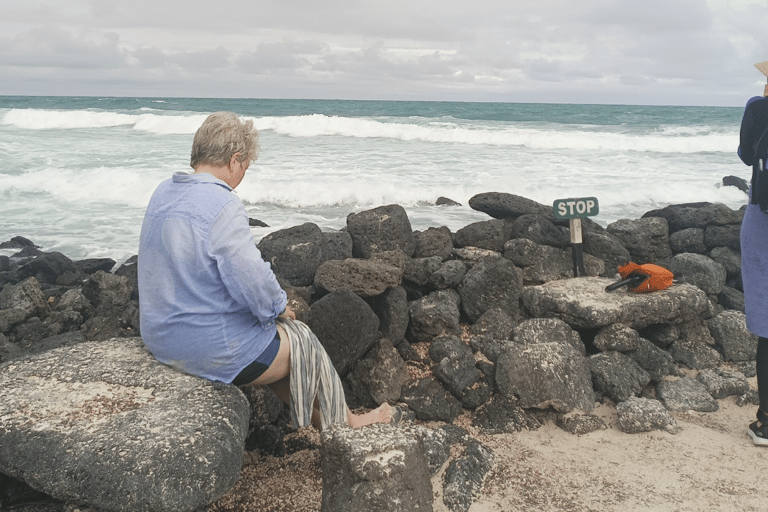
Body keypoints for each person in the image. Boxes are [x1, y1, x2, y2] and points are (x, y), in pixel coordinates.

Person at [138, 111, 391, 430]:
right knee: (301, 339)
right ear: (234, 160)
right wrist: (276, 307)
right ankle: (350, 421)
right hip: (201, 348)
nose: (242, 174)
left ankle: (326, 422)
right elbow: (248, 275)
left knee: (269, 338)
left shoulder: (165, 190)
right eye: (244, 166)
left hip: (159, 335)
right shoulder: (222, 203)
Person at [739, 79, 768, 445]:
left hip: (762, 222)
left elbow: (748, 155)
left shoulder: (759, 107)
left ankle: (766, 422)